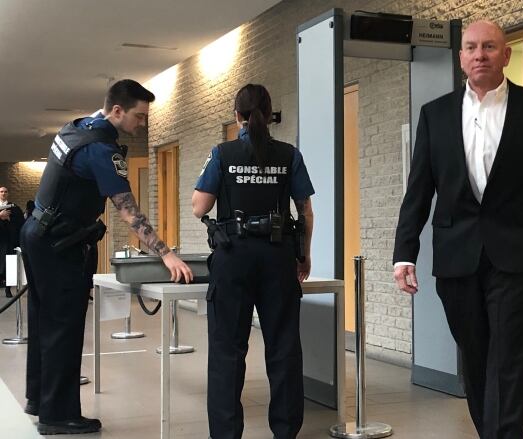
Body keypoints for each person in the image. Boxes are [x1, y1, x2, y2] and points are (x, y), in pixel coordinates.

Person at [392, 21, 523, 439]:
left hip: (517, 255)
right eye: (472, 47)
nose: (480, 54)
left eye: (490, 47)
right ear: (461, 57)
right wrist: (403, 253)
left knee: (509, 358)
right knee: (476, 358)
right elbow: (419, 190)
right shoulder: (436, 114)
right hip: (457, 256)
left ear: (506, 54)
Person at [20, 79, 193, 435]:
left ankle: (40, 398)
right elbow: (129, 213)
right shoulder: (101, 150)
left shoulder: (75, 128)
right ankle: (58, 416)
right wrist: (166, 254)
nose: (142, 124)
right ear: (117, 111)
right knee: (63, 329)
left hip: (37, 234)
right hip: (59, 245)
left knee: (43, 322)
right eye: (139, 116)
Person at [192, 83, 314, 439]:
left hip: (234, 257)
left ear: (237, 116)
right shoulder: (290, 154)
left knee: (228, 351)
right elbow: (305, 210)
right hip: (278, 257)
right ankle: (286, 431)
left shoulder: (222, 153)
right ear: (270, 114)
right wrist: (303, 256)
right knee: (284, 347)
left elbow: (200, 206)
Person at [0, 187, 24, 297]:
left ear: (8, 193)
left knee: (10, 263)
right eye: (1, 191)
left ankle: (8, 289)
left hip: (9, 240)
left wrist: (9, 219)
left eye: (5, 191)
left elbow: (20, 222)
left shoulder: (14, 208)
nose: (3, 193)